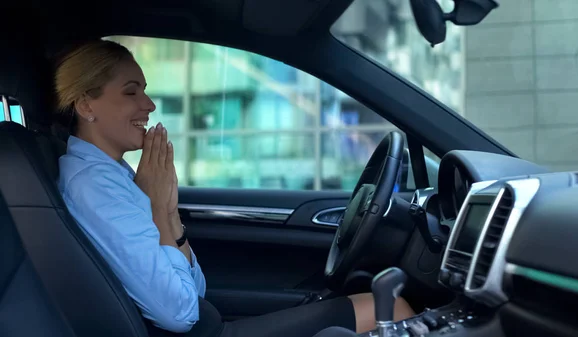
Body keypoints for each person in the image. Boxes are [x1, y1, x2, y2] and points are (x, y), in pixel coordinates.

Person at [55, 39, 415, 337]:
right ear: (86, 103)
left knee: (375, 304)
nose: (148, 105)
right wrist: (158, 211)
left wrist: (167, 213)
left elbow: (195, 294)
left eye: (145, 92)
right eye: (131, 92)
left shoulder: (112, 173)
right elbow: (179, 312)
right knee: (391, 307)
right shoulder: (94, 187)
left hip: (209, 327)